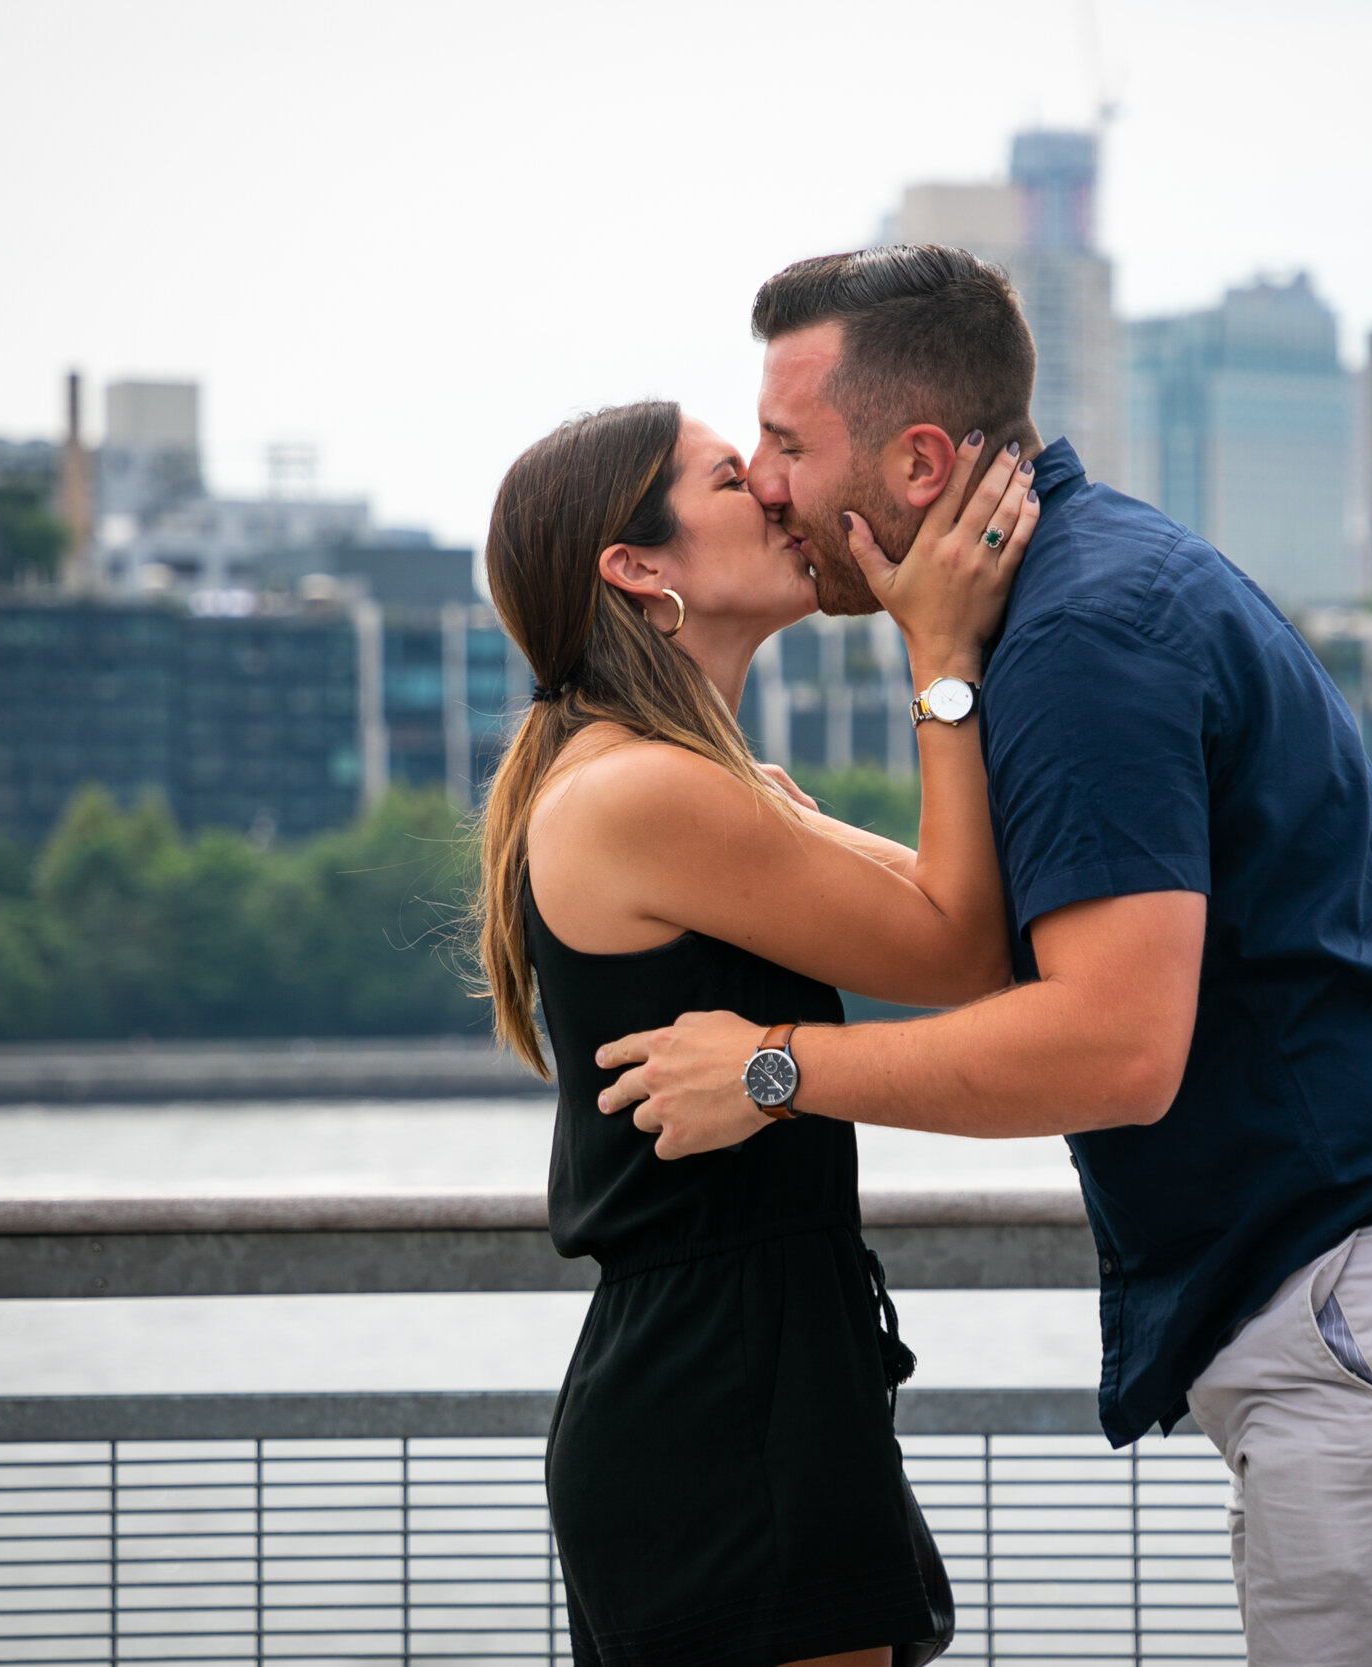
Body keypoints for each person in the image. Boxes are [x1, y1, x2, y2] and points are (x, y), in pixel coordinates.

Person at [594, 246, 1372, 1667]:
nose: (768, 481)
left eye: (784, 443)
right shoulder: (1085, 596)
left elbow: (1114, 1049)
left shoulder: (1083, 636)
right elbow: (974, 943)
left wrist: (775, 1068)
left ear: (914, 461)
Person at [472, 396, 1040, 1667]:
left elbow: (958, 924)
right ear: (638, 566)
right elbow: (965, 946)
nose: (778, 494)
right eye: (736, 477)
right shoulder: (648, 791)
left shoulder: (669, 778)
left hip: (742, 1375)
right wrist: (939, 657)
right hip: (730, 1395)